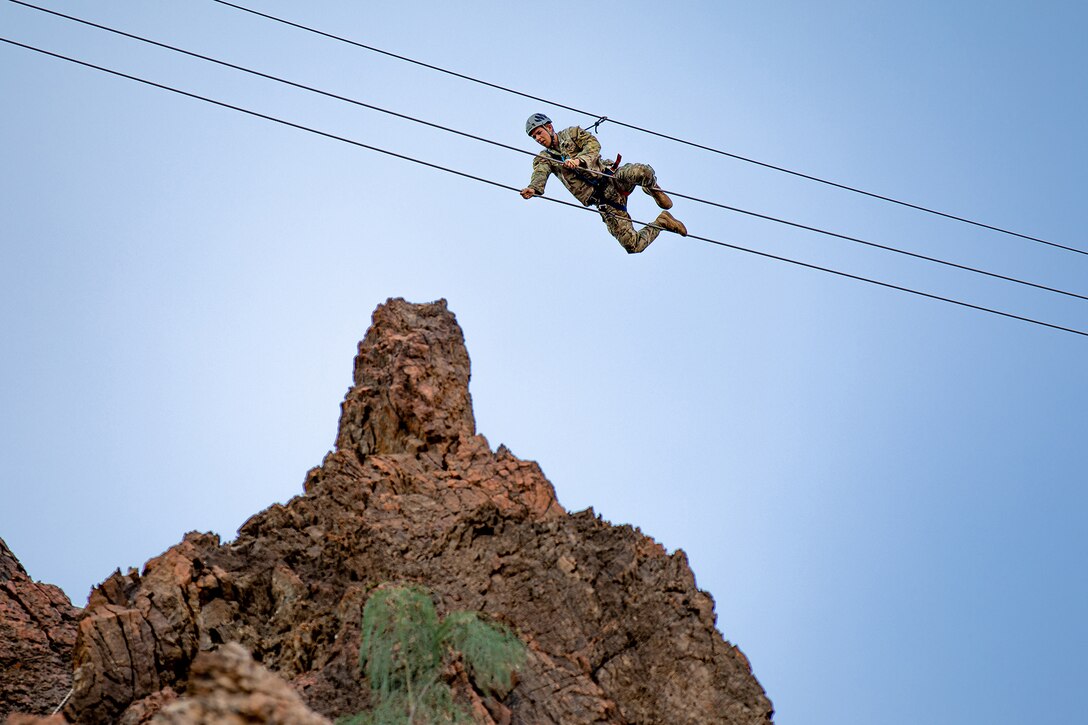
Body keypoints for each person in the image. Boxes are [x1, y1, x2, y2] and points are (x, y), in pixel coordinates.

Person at [519, 113, 687, 254]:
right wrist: (533, 188)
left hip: (612, 178)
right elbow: (540, 173)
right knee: (632, 245)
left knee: (643, 172)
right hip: (604, 201)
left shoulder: (572, 133)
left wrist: (578, 160)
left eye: (539, 133)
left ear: (549, 127)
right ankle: (663, 222)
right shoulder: (544, 158)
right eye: (534, 137)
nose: (538, 138)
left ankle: (653, 190)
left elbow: (593, 145)